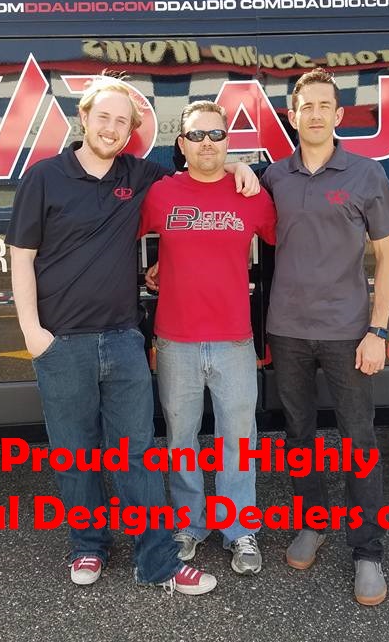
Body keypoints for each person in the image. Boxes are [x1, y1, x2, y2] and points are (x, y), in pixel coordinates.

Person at [6, 75, 258, 595]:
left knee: (135, 455)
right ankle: (88, 545)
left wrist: (236, 164)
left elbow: (200, 171)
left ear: (131, 131)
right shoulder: (44, 177)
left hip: (123, 338)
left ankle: (158, 563)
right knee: (75, 453)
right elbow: (21, 257)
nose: (112, 128)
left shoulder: (140, 175)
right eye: (104, 117)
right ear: (84, 118)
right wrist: (33, 332)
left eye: (122, 121)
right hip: (61, 341)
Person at [260, 68, 389, 606]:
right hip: (287, 330)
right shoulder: (275, 176)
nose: (316, 114)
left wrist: (378, 331)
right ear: (292, 116)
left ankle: (367, 552)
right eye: (307, 107)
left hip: (348, 333)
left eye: (325, 105)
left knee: (358, 440)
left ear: (339, 115)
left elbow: (387, 256)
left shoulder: (366, 174)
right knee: (299, 435)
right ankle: (312, 523)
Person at [139, 101, 277, 575]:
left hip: (235, 340)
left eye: (216, 135)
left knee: (238, 439)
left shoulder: (251, 194)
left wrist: (245, 169)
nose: (207, 143)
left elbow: (286, 240)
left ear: (228, 142)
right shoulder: (161, 194)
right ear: (181, 144)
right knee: (181, 439)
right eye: (196, 135)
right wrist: (154, 265)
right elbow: (115, 238)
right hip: (175, 340)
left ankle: (240, 531)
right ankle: (189, 526)